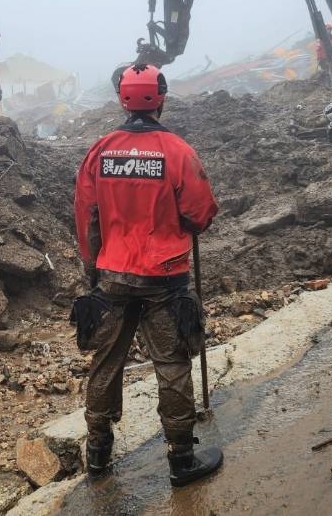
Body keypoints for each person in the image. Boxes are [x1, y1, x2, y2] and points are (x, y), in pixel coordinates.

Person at [72, 63, 223, 487]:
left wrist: (93, 271)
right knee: (172, 362)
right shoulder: (177, 151)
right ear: (161, 97)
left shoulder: (100, 150)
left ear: (121, 97)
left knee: (106, 361)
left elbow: (87, 217)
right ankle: (181, 458)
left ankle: (98, 454)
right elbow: (201, 213)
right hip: (166, 275)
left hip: (113, 274)